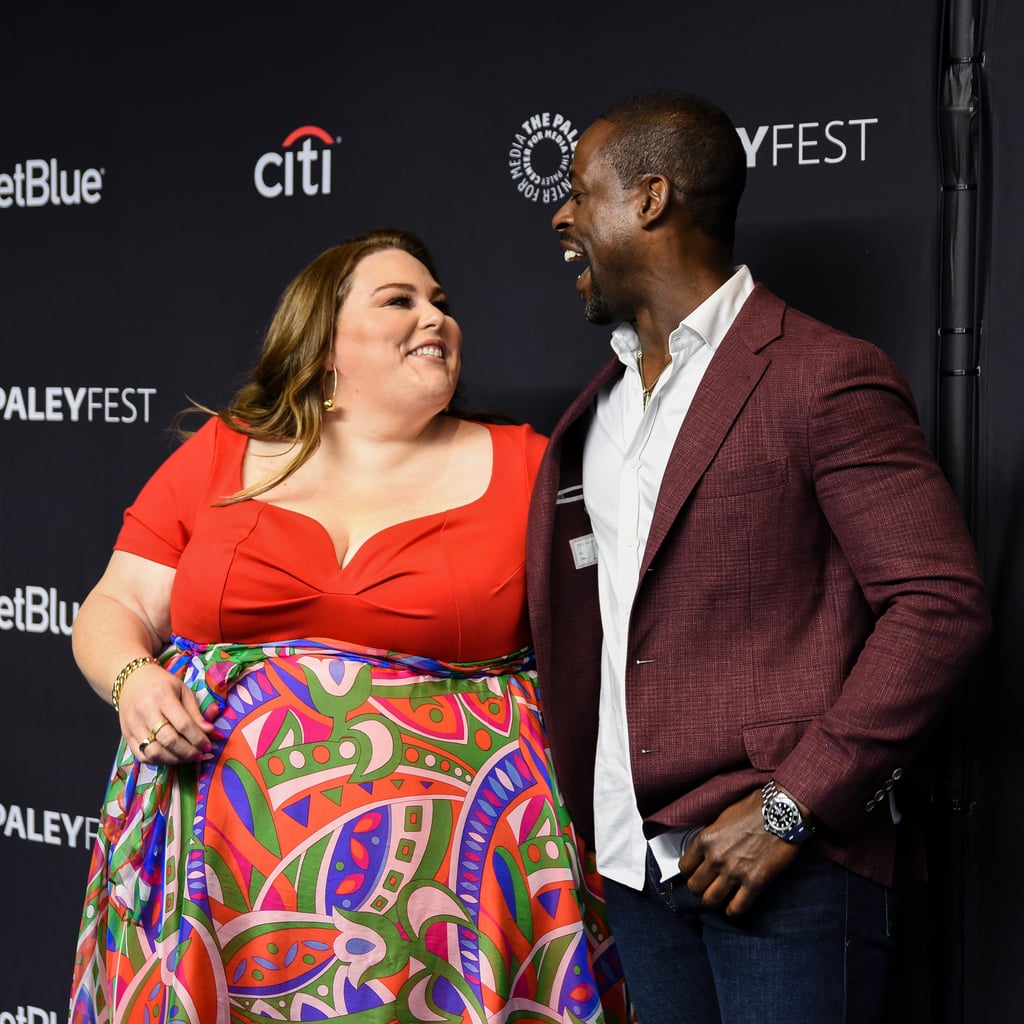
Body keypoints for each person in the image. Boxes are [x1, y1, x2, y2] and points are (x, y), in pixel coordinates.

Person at [68, 228, 632, 1024]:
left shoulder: (528, 466)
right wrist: (133, 679)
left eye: (441, 303)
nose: (434, 317)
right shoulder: (226, 451)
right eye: (399, 300)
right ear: (325, 341)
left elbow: (622, 639)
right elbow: (114, 605)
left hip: (454, 896)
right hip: (214, 871)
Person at [526, 91, 992, 1023]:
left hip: (788, 868)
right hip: (634, 868)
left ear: (651, 199)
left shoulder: (822, 374)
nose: (560, 214)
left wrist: (793, 808)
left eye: (581, 191)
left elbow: (940, 605)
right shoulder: (597, 413)